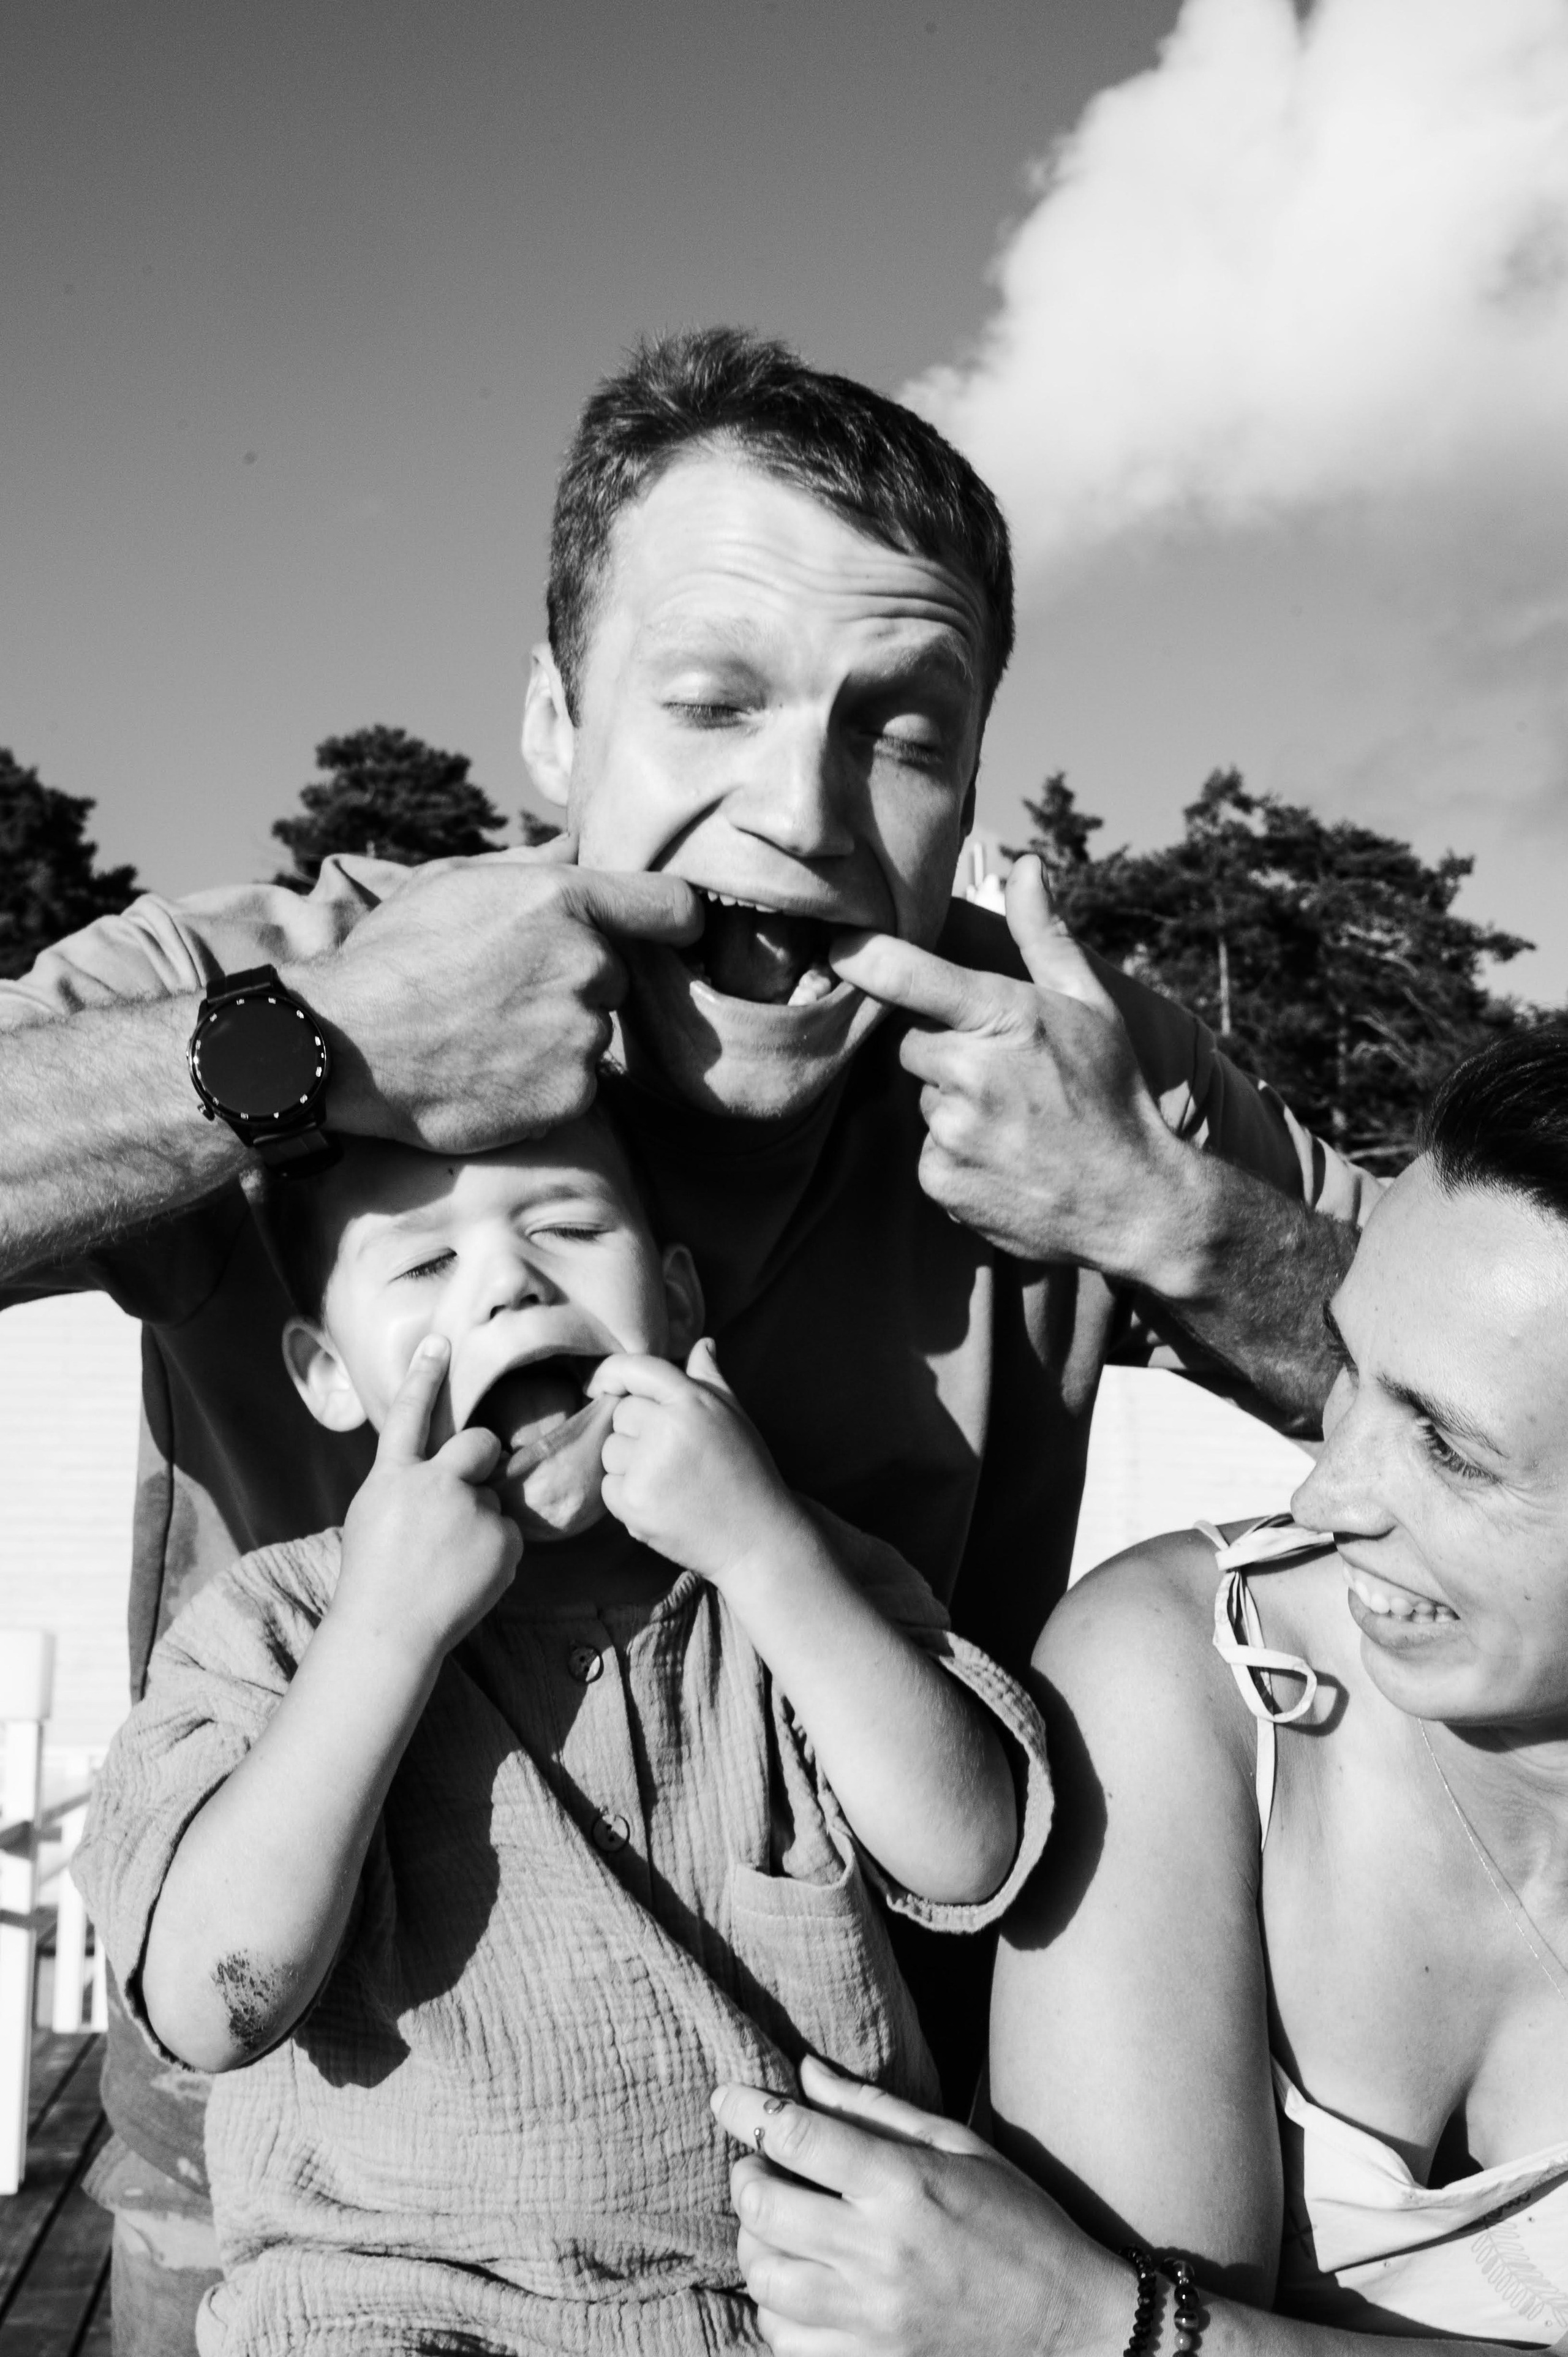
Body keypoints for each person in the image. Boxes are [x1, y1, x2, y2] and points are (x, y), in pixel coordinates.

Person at [0, 327, 1373, 2347]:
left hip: (864, 2218)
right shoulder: (276, 981)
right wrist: (316, 1062)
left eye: (902, 731)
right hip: (305, 2205)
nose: (803, 811)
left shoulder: (1073, 1072)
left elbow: (1517, 1403)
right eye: (711, 697)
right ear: (558, 719)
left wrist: (1172, 1216)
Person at [75, 1114, 1050, 2353]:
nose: (510, 1278)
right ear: (326, 1373)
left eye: (567, 1227)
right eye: (426, 1265)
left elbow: (969, 1850)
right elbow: (217, 2006)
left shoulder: (795, 1580)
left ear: (677, 1295)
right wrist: (384, 1632)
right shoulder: (274, 1627)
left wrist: (760, 1551)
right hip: (395, 2306)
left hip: (801, 2312)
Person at [714, 1025, 1568, 2352]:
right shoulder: (1183, 1672)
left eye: (1449, 1448)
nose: (1321, 1494)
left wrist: (1087, 2320)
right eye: (1345, 1372)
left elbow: (1085, 2323)